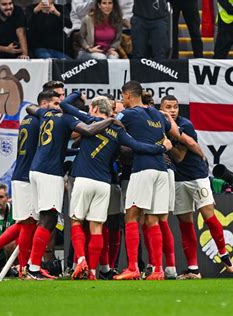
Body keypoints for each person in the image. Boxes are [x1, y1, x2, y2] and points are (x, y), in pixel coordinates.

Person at [60, 93, 171, 280]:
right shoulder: (119, 131)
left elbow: (64, 104)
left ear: (95, 109)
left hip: (84, 179)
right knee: (97, 227)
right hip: (104, 184)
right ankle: (93, 273)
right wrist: (161, 148)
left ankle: (80, 260)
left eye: (90, 108)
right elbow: (137, 146)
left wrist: (77, 94)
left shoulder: (90, 120)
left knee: (77, 221)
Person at [24, 92, 119, 280]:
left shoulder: (45, 114)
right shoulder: (68, 119)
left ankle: (31, 265)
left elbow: (29, 107)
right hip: (50, 172)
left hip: (35, 169)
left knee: (44, 218)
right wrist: (110, 121)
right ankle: (33, 268)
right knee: (48, 219)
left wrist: (46, 108)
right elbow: (90, 130)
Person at [0, 93, 59, 277]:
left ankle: (0, 254)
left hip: (21, 172)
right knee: (28, 223)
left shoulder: (27, 120)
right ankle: (25, 267)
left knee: (27, 222)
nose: (58, 107)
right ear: (44, 104)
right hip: (27, 176)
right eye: (55, 103)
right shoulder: (42, 122)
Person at [160, 95, 233, 279]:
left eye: (175, 107)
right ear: (160, 108)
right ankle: (193, 269)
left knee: (208, 216)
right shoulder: (157, 125)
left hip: (197, 177)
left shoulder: (184, 125)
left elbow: (179, 156)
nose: (172, 110)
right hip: (178, 180)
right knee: (185, 225)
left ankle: (223, 254)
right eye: (168, 107)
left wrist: (165, 141)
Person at [112, 81, 181, 281]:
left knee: (131, 216)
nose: (123, 102)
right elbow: (174, 132)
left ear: (128, 95)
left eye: (123, 98)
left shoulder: (128, 114)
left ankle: (133, 267)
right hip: (162, 170)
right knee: (154, 220)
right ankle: (158, 269)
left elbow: (114, 126)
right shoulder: (159, 115)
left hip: (143, 169)